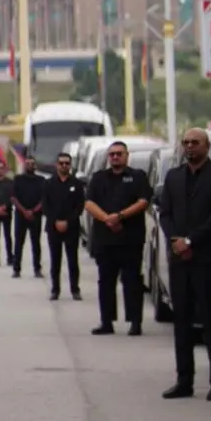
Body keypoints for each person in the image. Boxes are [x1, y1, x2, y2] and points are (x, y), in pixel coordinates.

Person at [159, 127, 211, 401]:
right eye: (186, 142)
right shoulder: (174, 177)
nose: (190, 147)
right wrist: (177, 241)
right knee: (181, 321)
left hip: (208, 258)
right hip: (180, 260)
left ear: (207, 146)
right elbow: (164, 213)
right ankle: (184, 380)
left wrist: (191, 241)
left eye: (195, 142)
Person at [84, 140, 152, 336]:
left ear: (126, 156)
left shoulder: (137, 177)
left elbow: (143, 202)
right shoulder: (98, 178)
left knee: (132, 282)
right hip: (105, 240)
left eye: (119, 153)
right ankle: (107, 322)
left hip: (130, 240)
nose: (115, 157)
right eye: (112, 154)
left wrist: (120, 216)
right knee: (105, 282)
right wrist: (108, 219)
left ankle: (135, 322)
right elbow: (89, 203)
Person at [42, 152, 85, 300]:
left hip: (71, 228)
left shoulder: (77, 184)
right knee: (55, 260)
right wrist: (56, 221)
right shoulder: (48, 183)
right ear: (57, 165)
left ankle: (75, 289)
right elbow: (45, 205)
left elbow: (80, 206)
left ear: (70, 165)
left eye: (67, 163)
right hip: (53, 227)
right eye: (61, 163)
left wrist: (68, 221)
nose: (64, 166)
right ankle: (55, 289)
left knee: (73, 260)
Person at [11, 154, 46, 279]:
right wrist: (25, 211)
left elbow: (44, 199)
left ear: (35, 166)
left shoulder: (41, 180)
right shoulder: (18, 179)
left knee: (36, 243)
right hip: (21, 215)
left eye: (32, 163)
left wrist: (34, 211)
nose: (30, 166)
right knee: (19, 243)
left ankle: (37, 269)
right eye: (27, 163)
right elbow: (13, 198)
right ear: (24, 165)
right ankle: (16, 269)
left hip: (36, 216)